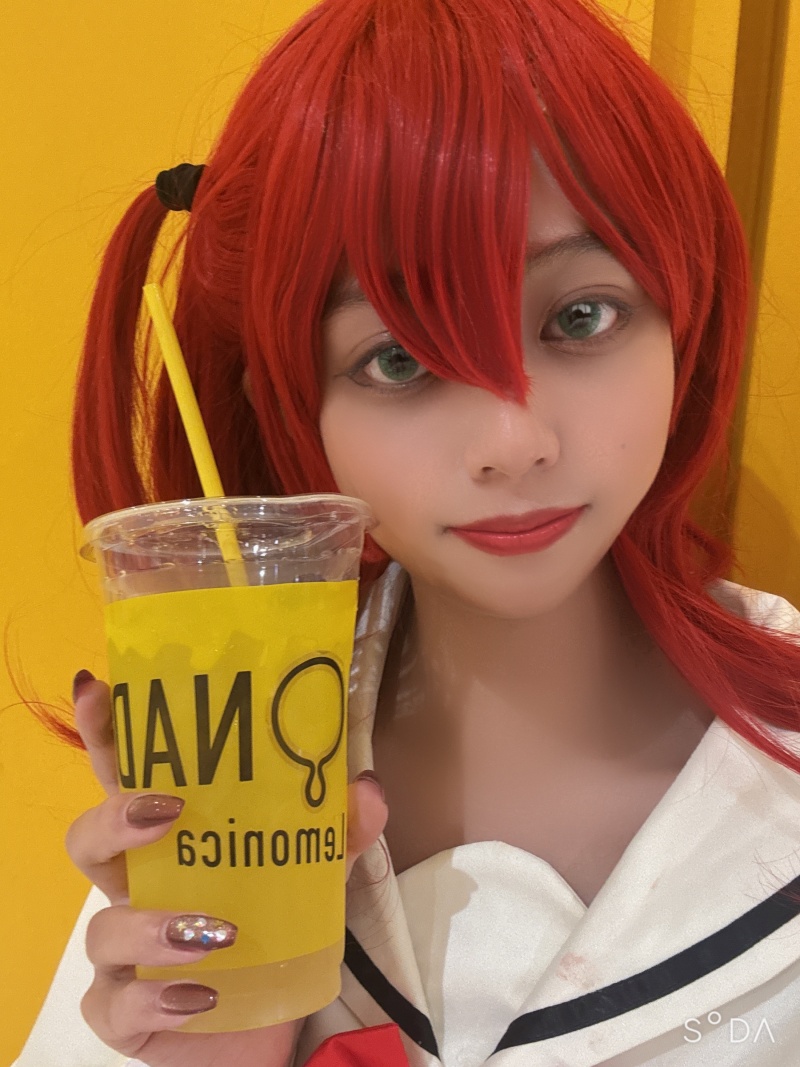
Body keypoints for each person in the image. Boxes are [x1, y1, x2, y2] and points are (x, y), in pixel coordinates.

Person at [15, 0, 800, 1064]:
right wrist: (221, 1046)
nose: (512, 440)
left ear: (684, 316)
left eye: (580, 316)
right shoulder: (225, 789)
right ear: (296, 406)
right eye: (398, 358)